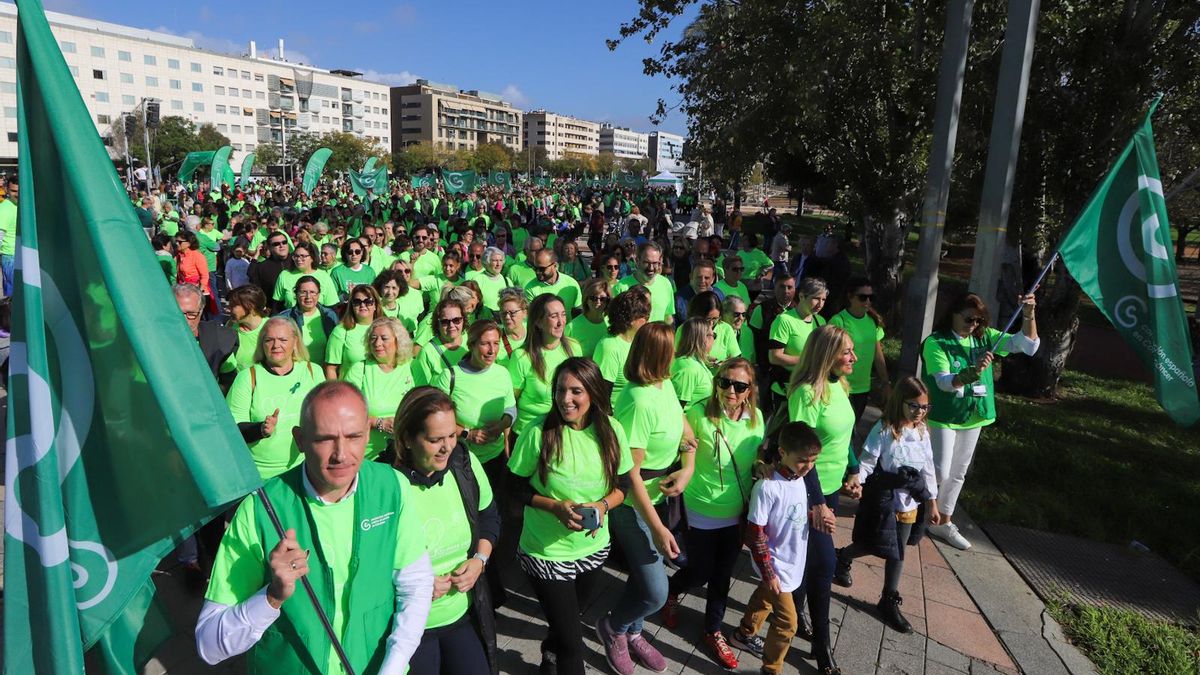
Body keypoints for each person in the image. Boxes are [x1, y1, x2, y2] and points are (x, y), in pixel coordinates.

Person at [196, 381, 434, 674]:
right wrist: (271, 596)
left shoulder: (391, 487)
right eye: (325, 439)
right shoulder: (260, 509)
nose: (341, 454)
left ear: (368, 434)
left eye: (354, 436)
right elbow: (209, 646)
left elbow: (415, 585)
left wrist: (393, 667)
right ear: (300, 439)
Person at [508, 358, 632, 675]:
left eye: (576, 391)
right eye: (561, 390)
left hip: (593, 550)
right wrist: (554, 507)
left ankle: (550, 651)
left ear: (592, 392)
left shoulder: (612, 430)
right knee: (574, 645)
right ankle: (560, 654)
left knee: (567, 620)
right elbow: (513, 488)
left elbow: (624, 486)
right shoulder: (539, 432)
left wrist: (602, 506)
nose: (566, 399)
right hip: (546, 553)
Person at [598, 322, 696, 675]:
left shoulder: (664, 383)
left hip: (658, 498)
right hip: (631, 505)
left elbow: (685, 428)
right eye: (673, 348)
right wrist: (657, 528)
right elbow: (630, 474)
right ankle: (614, 627)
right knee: (656, 591)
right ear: (660, 353)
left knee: (644, 578)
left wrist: (686, 468)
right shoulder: (637, 400)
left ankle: (633, 629)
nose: (679, 353)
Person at [661, 358, 764, 670]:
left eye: (739, 386)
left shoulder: (756, 418)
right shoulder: (697, 412)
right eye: (724, 382)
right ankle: (670, 592)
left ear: (750, 390)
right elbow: (672, 420)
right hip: (700, 510)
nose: (730, 390)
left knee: (722, 577)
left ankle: (713, 631)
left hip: (735, 515)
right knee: (700, 571)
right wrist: (679, 444)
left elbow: (755, 461)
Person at [392, 387, 499, 674]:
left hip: (462, 616)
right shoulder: (385, 485)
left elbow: (489, 516)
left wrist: (480, 561)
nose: (447, 447)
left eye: (452, 435)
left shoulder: (464, 464)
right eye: (435, 439)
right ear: (407, 439)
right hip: (411, 628)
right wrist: (414, 586)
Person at [922, 292, 1039, 550]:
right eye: (968, 319)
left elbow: (1028, 345)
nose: (973, 325)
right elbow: (944, 383)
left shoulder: (985, 337)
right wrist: (971, 372)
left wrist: (1029, 314)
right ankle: (908, 505)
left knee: (957, 473)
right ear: (952, 314)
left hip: (974, 416)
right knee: (939, 471)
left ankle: (942, 521)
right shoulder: (936, 342)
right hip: (945, 416)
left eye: (978, 320)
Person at [834, 376, 940, 634]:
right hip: (884, 501)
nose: (919, 412)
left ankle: (888, 599)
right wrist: (857, 481)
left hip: (909, 503)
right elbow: (868, 461)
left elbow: (928, 468)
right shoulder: (884, 428)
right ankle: (843, 556)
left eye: (924, 407)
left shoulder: (923, 432)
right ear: (900, 402)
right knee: (872, 544)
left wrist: (932, 502)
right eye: (914, 406)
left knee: (898, 551)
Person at [786, 325, 859, 675]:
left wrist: (854, 471)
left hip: (830, 490)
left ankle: (793, 616)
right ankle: (821, 644)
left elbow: (844, 436)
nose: (854, 358)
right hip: (807, 492)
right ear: (828, 354)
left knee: (809, 561)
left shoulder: (839, 385)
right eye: (847, 352)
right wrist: (818, 503)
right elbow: (802, 454)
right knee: (825, 565)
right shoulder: (806, 393)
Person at [729, 422, 822, 675]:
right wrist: (769, 572)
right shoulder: (767, 487)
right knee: (788, 622)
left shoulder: (799, 479)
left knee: (765, 599)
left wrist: (816, 516)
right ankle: (771, 669)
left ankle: (744, 634)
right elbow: (755, 534)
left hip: (793, 560)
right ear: (782, 453)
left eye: (813, 461)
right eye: (803, 460)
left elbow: (793, 514)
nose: (809, 467)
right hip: (776, 564)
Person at [225, 316, 326, 479]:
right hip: (260, 475)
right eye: (269, 340)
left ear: (295, 342)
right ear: (262, 345)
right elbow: (232, 429)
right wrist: (260, 429)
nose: (276, 345)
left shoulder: (313, 371)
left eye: (282, 339)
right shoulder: (247, 377)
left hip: (306, 470)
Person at [342, 317, 417, 462]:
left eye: (384, 338)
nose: (377, 344)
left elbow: (425, 405)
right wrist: (378, 423)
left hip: (407, 454)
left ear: (398, 341)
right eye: (373, 338)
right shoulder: (359, 369)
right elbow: (345, 415)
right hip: (368, 455)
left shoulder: (413, 366)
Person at [508, 295, 578, 437]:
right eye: (553, 316)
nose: (561, 322)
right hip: (529, 433)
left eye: (563, 315)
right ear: (538, 322)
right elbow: (511, 402)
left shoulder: (574, 347)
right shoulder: (521, 356)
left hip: (563, 430)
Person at [829, 277, 891, 422]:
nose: (868, 302)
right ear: (850, 297)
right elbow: (829, 356)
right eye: (863, 297)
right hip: (841, 387)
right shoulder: (838, 321)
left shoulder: (872, 321)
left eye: (871, 297)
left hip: (863, 388)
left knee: (853, 428)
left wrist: (886, 382)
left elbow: (878, 355)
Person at [768, 276, 828, 400]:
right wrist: (808, 361)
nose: (820, 304)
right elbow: (774, 357)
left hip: (811, 387)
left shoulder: (820, 321)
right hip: (786, 387)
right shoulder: (784, 320)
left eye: (823, 299)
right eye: (816, 298)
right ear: (801, 296)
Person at [593, 286, 651, 405]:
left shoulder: (640, 340)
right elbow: (601, 397)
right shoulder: (609, 347)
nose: (648, 321)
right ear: (631, 319)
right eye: (645, 317)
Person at [174, 283, 236, 386]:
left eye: (191, 314)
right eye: (178, 313)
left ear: (201, 312)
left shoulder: (219, 339)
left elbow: (229, 381)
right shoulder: (154, 341)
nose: (183, 320)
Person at [325, 285, 383, 380]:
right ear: (351, 306)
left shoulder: (386, 329)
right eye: (357, 302)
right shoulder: (341, 331)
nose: (362, 305)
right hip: (351, 391)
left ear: (376, 305)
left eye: (368, 301)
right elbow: (331, 368)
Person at [277, 276, 338, 367]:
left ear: (318, 294)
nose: (308, 297)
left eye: (313, 292)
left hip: (324, 372)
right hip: (297, 372)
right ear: (296, 294)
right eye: (303, 292)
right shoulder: (284, 318)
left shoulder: (329, 315)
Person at [412, 297, 469, 387]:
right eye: (445, 322)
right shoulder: (427, 352)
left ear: (463, 320)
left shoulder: (472, 342)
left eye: (456, 320)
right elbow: (422, 389)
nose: (451, 325)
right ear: (437, 323)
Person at [613, 242, 675, 324]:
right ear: (637, 261)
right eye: (647, 263)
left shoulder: (666, 283)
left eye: (655, 263)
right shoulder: (621, 287)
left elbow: (668, 317)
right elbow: (616, 322)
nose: (651, 268)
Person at [274, 242, 338, 311]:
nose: (298, 259)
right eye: (296, 256)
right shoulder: (284, 275)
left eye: (303, 256)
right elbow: (277, 305)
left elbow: (331, 306)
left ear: (312, 257)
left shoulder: (324, 276)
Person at [670, 317, 717, 409]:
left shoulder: (696, 361)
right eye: (713, 335)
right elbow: (677, 409)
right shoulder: (688, 368)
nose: (714, 340)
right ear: (703, 338)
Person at [685, 290, 741, 366]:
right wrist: (703, 359)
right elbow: (680, 356)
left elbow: (736, 359)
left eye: (715, 318)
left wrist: (724, 364)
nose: (711, 323)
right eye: (707, 319)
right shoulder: (685, 328)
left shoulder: (726, 329)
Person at [524, 248, 583, 317]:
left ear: (555, 266)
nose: (537, 272)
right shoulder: (529, 288)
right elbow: (532, 318)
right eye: (535, 268)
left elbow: (578, 311)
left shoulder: (571, 283)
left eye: (542, 269)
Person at [225, 284, 270, 372]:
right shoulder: (230, 326)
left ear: (251, 307)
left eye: (233, 306)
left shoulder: (271, 328)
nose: (227, 309)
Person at [565, 278, 610, 358]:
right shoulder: (571, 328)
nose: (598, 302)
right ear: (586, 300)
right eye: (593, 298)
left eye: (603, 299)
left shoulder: (612, 323)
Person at [377, 264, 425, 333]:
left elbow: (409, 337)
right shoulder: (374, 309)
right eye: (386, 287)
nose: (390, 292)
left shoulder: (405, 311)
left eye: (394, 288)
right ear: (380, 288)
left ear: (400, 290)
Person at [329, 238, 377, 303]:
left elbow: (374, 295)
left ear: (362, 252)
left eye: (357, 251)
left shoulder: (370, 272)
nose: (354, 254)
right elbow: (332, 298)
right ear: (345, 253)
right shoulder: (337, 272)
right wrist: (347, 296)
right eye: (350, 252)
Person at [248, 231, 291, 301]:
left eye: (284, 242)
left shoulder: (297, 261)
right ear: (269, 247)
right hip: (274, 310)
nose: (281, 245)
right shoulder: (261, 267)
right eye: (276, 244)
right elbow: (256, 291)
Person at [467, 246, 510, 314]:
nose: (498, 264)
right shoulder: (477, 280)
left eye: (501, 260)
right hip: (484, 321)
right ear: (487, 262)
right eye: (495, 261)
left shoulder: (507, 280)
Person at [175, 230, 210, 301]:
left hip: (196, 292)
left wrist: (199, 292)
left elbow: (205, 276)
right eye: (176, 241)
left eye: (180, 242)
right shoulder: (179, 255)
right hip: (184, 290)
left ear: (189, 243)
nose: (176, 243)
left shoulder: (197, 256)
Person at [494, 288, 528, 362]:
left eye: (512, 313)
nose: (507, 317)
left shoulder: (535, 332)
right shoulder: (495, 341)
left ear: (525, 313)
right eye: (503, 313)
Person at [723, 296, 755, 365]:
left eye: (743, 314)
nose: (741, 318)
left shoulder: (747, 332)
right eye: (736, 314)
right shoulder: (715, 333)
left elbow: (751, 361)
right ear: (724, 313)